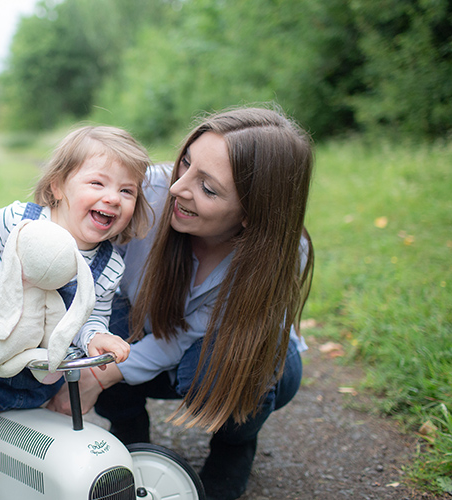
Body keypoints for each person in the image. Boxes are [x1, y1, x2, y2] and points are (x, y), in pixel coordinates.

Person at [47, 107, 314, 500]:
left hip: (236, 353)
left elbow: (187, 335)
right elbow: (57, 230)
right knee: (96, 323)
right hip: (148, 327)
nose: (177, 187)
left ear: (251, 214)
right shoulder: (148, 192)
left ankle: (234, 445)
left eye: (207, 188)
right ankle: (129, 432)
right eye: (185, 163)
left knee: (225, 362)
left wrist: (100, 377)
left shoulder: (285, 252)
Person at [0, 125, 151, 500]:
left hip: (38, 376)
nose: (113, 198)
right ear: (58, 186)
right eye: (98, 184)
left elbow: (89, 315)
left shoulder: (109, 264)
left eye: (126, 191)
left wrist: (96, 336)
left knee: (31, 454)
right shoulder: (23, 221)